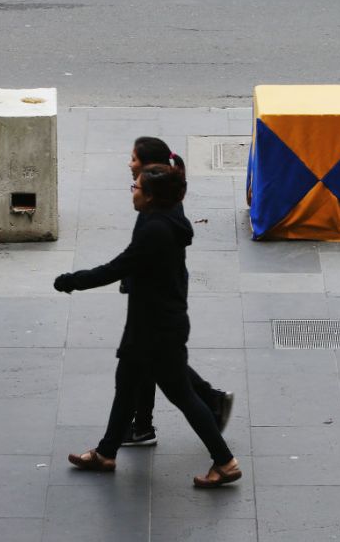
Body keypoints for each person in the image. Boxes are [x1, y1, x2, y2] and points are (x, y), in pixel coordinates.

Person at [54, 162, 241, 487]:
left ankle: (224, 461)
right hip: (152, 325)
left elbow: (116, 267)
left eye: (136, 188)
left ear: (152, 197)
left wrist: (71, 280)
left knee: (182, 395)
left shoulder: (155, 230)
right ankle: (106, 452)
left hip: (156, 331)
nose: (132, 192)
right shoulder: (166, 216)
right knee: (127, 387)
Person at [120, 136, 233, 447]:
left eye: (133, 158)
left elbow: (142, 251)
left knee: (160, 365)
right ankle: (142, 425)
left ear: (147, 167)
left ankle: (213, 425)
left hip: (159, 300)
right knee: (152, 361)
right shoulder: (160, 194)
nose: (129, 164)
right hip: (158, 294)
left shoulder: (155, 202)